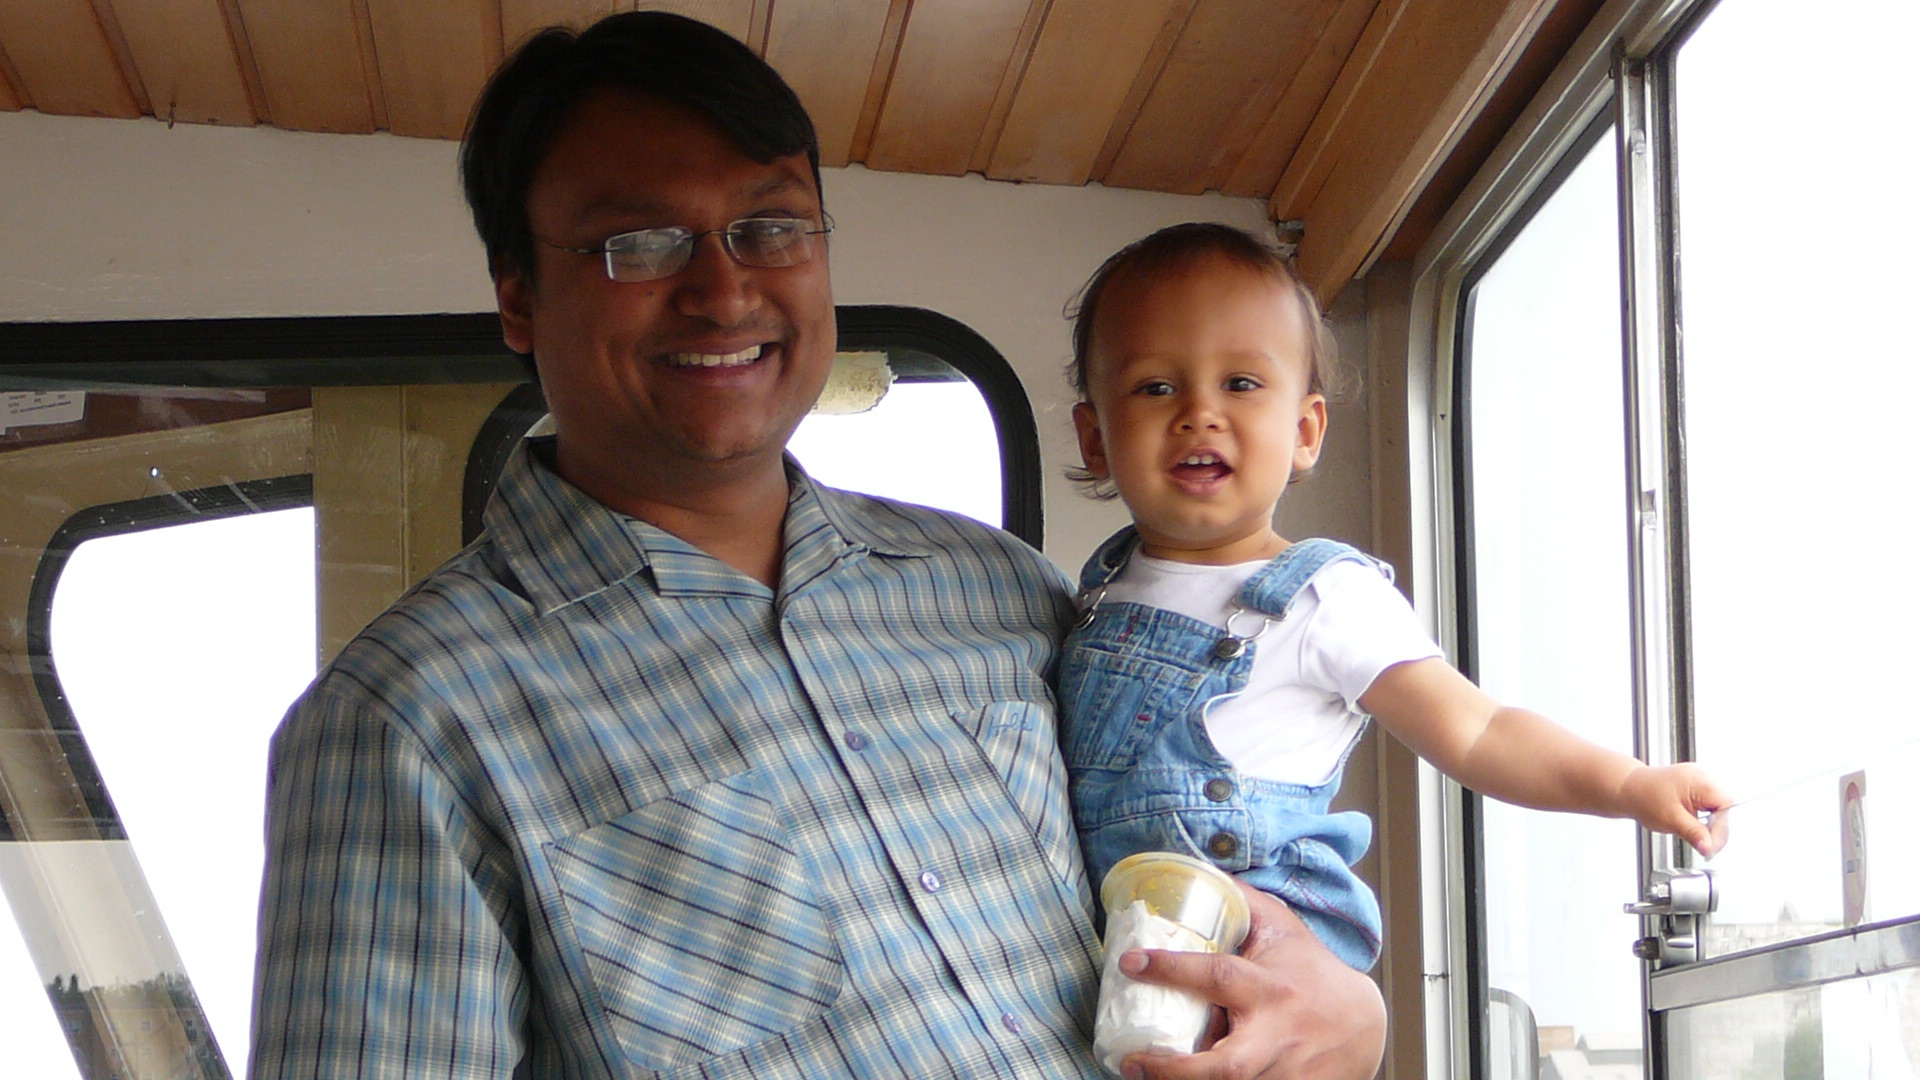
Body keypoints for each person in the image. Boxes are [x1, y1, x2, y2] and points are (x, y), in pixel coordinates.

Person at [248, 14, 1387, 1080]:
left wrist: (1348, 1011)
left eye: (772, 225)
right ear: (518, 300)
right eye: (638, 242)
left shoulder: (999, 590)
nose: (723, 286)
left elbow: (1214, 869)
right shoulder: (407, 719)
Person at [1059, 222, 1732, 973]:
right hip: (1115, 935)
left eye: (1242, 384)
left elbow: (1479, 732)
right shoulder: (1092, 595)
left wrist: (1631, 784)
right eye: (1155, 387)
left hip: (1263, 939)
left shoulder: (1324, 597)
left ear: (1306, 429)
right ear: (1096, 439)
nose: (1198, 412)